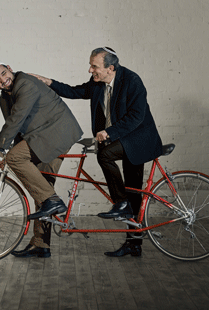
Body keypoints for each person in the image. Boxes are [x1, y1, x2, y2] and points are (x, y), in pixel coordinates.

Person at [31, 47, 163, 257]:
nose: (90, 70)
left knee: (128, 185)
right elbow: (75, 91)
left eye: (94, 66)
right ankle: (131, 235)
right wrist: (49, 82)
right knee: (130, 190)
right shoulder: (98, 83)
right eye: (91, 65)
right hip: (121, 138)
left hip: (138, 140)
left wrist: (109, 132)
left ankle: (123, 210)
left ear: (110, 68)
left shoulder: (132, 81)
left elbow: (137, 116)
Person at [0, 60, 83, 258]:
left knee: (45, 192)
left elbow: (17, 117)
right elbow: (18, 127)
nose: (3, 79)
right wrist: (9, 155)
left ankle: (52, 202)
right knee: (41, 185)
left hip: (57, 132)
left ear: (10, 68)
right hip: (41, 136)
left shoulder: (25, 83)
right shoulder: (4, 98)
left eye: (3, 73)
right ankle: (41, 244)